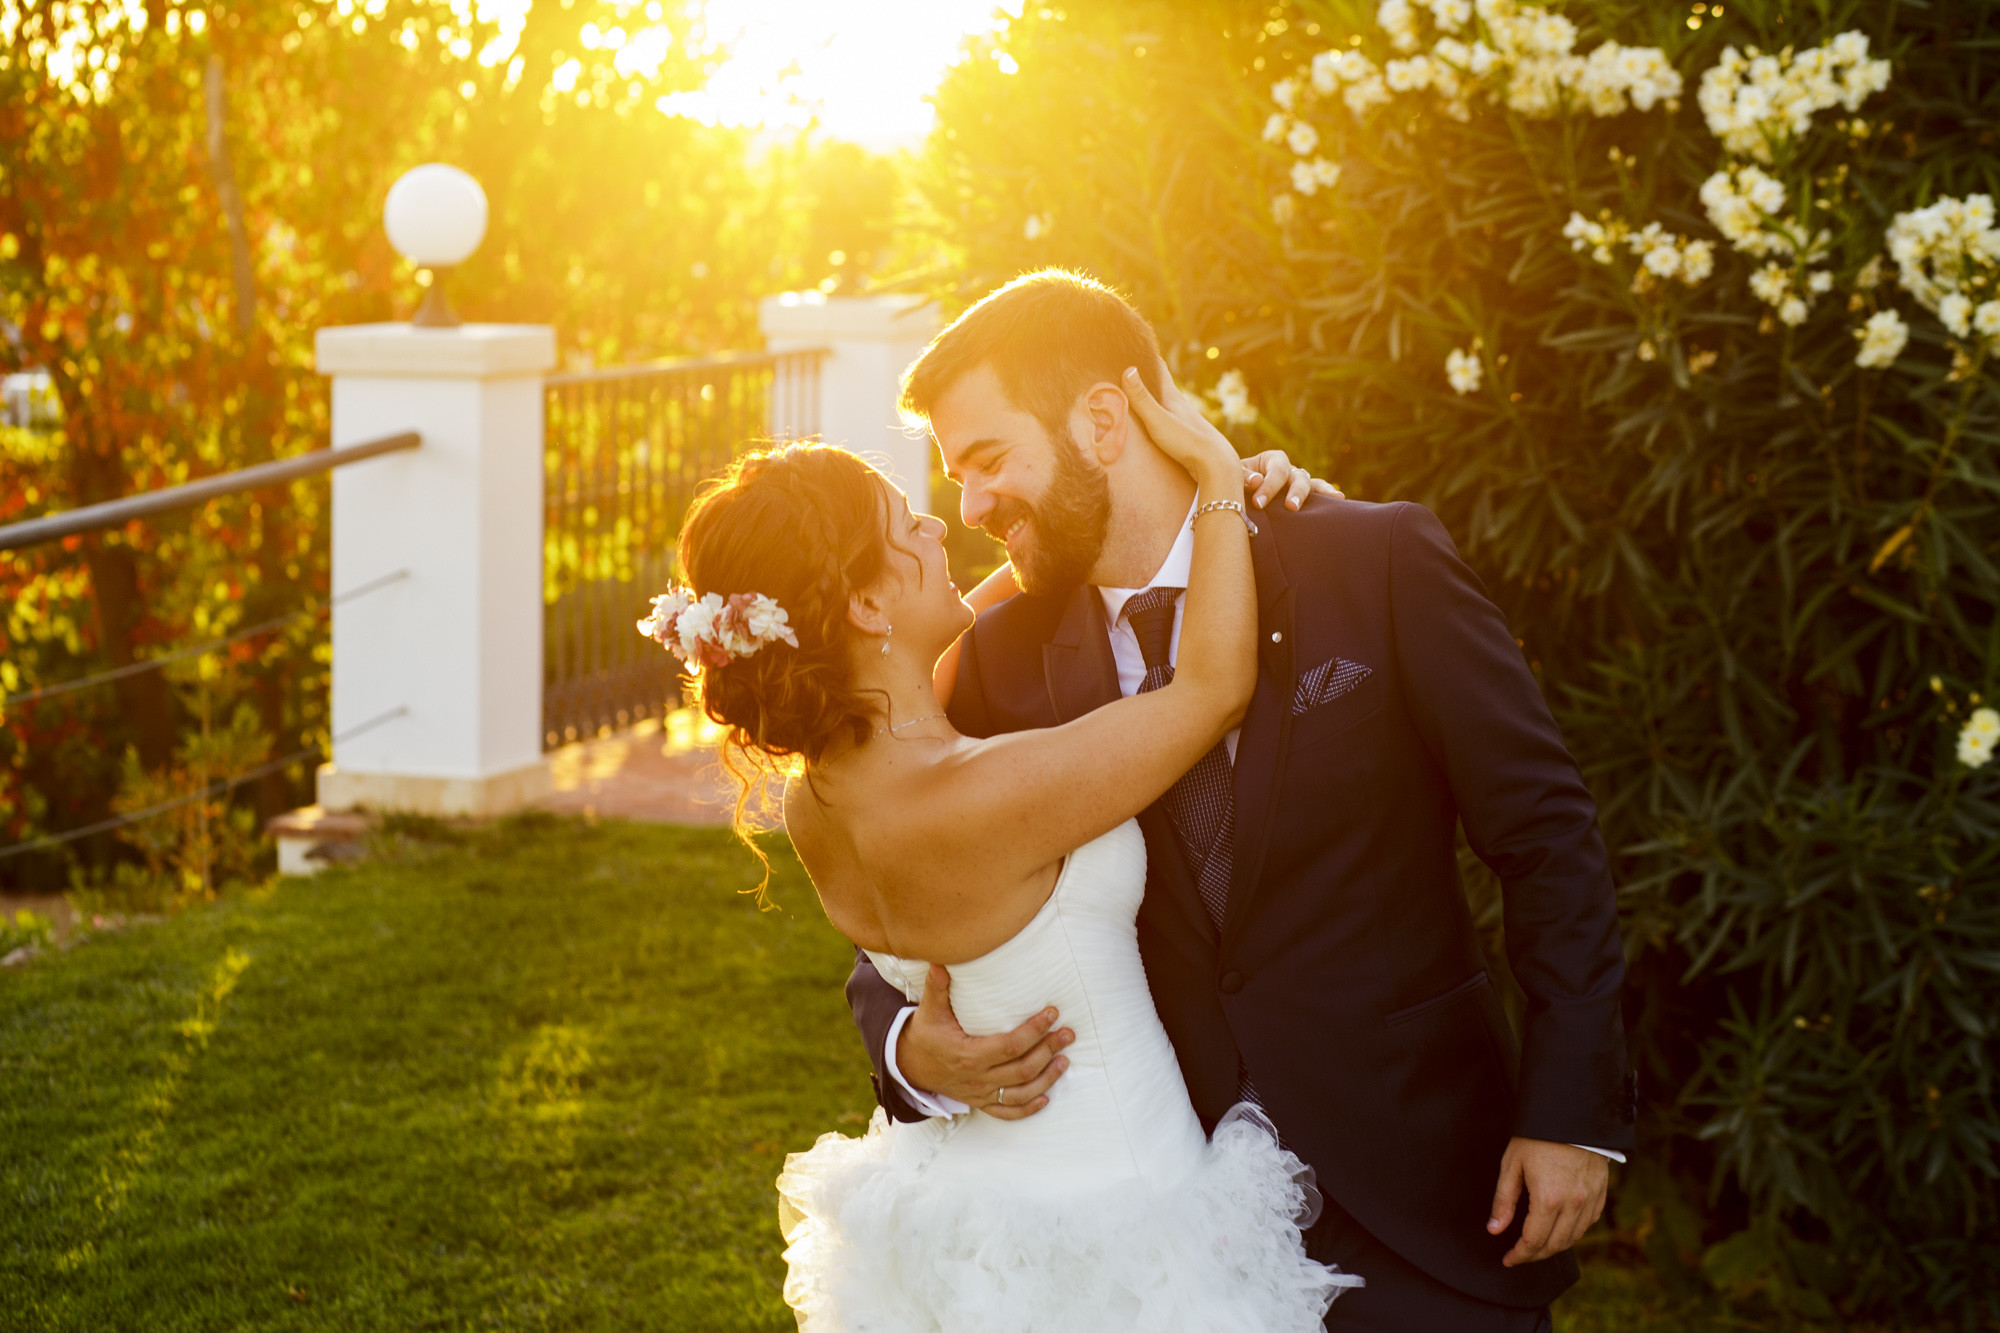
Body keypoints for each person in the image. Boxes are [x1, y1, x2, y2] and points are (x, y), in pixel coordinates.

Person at [847, 269, 1637, 1332]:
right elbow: (907, 872)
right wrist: (908, 1044)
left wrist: (1571, 1115)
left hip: (1421, 1185)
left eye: (987, 461)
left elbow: (1545, 837)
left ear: (1102, 418)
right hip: (1163, 1227)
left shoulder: (1371, 561)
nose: (972, 506)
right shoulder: (999, 661)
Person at [644, 380, 1359, 1328]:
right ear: (861, 602)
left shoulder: (817, 800)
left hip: (967, 1224)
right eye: (911, 526)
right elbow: (1213, 690)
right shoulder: (988, 792)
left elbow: (934, 639)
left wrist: (1086, 527)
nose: (945, 531)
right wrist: (1218, 481)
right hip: (1123, 1228)